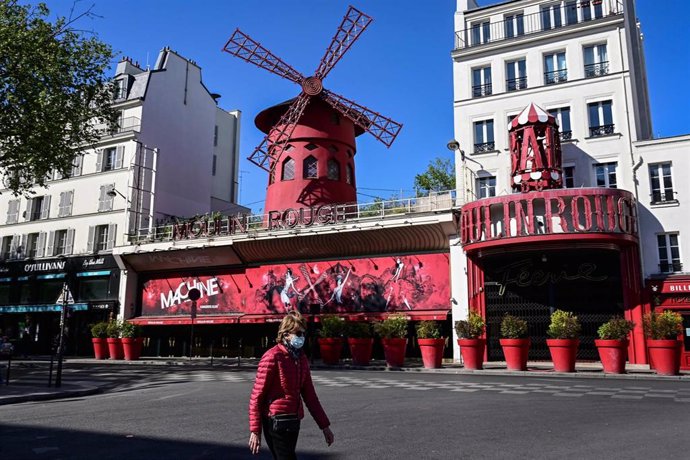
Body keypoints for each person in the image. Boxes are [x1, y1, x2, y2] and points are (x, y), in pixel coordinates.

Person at [248, 311, 334, 459]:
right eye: (297, 333)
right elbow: (257, 396)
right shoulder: (272, 357)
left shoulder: (301, 358)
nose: (301, 337)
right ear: (286, 334)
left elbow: (310, 396)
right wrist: (255, 431)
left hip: (293, 420)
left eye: (303, 333)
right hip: (275, 421)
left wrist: (324, 426)